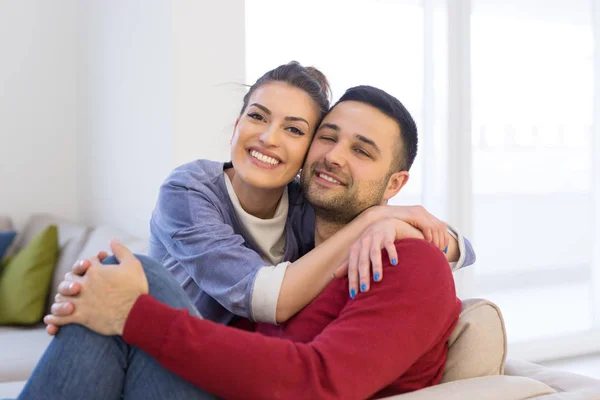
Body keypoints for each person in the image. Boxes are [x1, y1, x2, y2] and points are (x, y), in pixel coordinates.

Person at [18, 85, 466, 400]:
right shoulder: (304, 247)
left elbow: (319, 383)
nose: (333, 156)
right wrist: (376, 217)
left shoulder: (410, 262)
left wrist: (134, 314)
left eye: (362, 151)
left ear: (396, 184)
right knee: (122, 281)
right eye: (327, 138)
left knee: (138, 279)